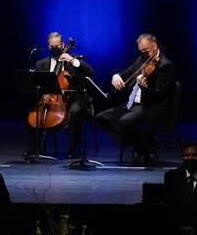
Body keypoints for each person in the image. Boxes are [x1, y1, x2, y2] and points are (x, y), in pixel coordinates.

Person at [96, 33, 177, 165]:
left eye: (146, 50)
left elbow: (159, 94)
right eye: (141, 51)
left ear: (155, 46)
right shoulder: (142, 59)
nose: (144, 54)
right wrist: (117, 76)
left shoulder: (165, 65)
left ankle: (140, 148)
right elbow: (128, 72)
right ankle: (146, 145)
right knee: (101, 117)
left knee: (124, 122)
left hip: (150, 105)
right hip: (132, 103)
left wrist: (144, 87)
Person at [33, 31, 94, 158]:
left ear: (63, 45)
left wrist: (72, 60)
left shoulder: (73, 60)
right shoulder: (41, 64)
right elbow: (39, 84)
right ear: (48, 46)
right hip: (50, 98)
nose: (55, 49)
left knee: (74, 111)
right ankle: (37, 148)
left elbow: (90, 71)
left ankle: (72, 150)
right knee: (33, 112)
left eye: (58, 46)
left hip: (73, 98)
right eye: (52, 47)